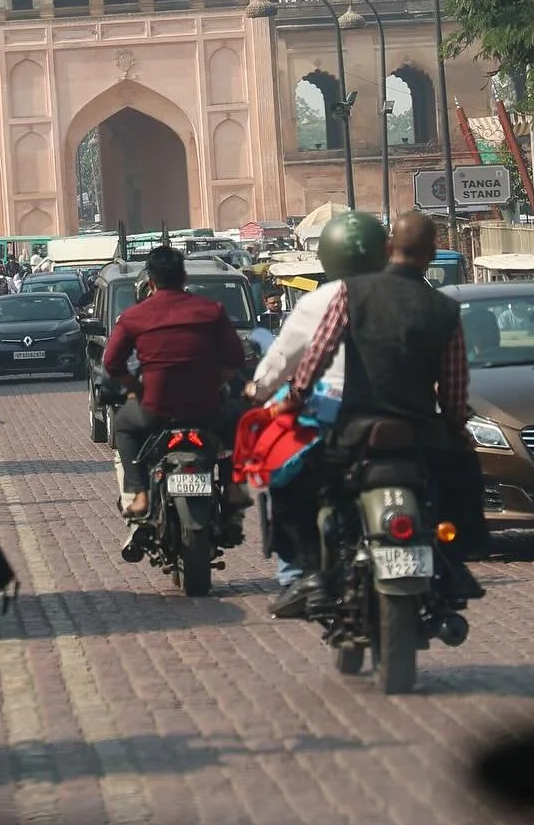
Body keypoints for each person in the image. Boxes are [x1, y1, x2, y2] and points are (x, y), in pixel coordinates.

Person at [272, 209, 486, 616]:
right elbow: (455, 386)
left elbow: (318, 353)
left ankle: (315, 573)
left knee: (303, 490)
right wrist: (456, 428)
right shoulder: (443, 309)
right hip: (420, 433)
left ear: (389, 249)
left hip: (356, 430)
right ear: (432, 253)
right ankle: (454, 563)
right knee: (462, 482)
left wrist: (295, 397)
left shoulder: (353, 293)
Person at [248, 212, 388, 616]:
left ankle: (297, 574)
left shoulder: (320, 303)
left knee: (285, 477)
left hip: (336, 416)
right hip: (406, 414)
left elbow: (283, 363)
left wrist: (259, 392)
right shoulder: (412, 295)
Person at [103, 244, 247, 559]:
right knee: (236, 419)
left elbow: (112, 365)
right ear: (183, 277)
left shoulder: (133, 316)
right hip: (206, 408)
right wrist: (217, 382)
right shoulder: (211, 311)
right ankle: (234, 486)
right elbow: (236, 357)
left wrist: (136, 389)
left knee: (124, 427)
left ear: (150, 283)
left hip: (155, 410)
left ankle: (140, 494)